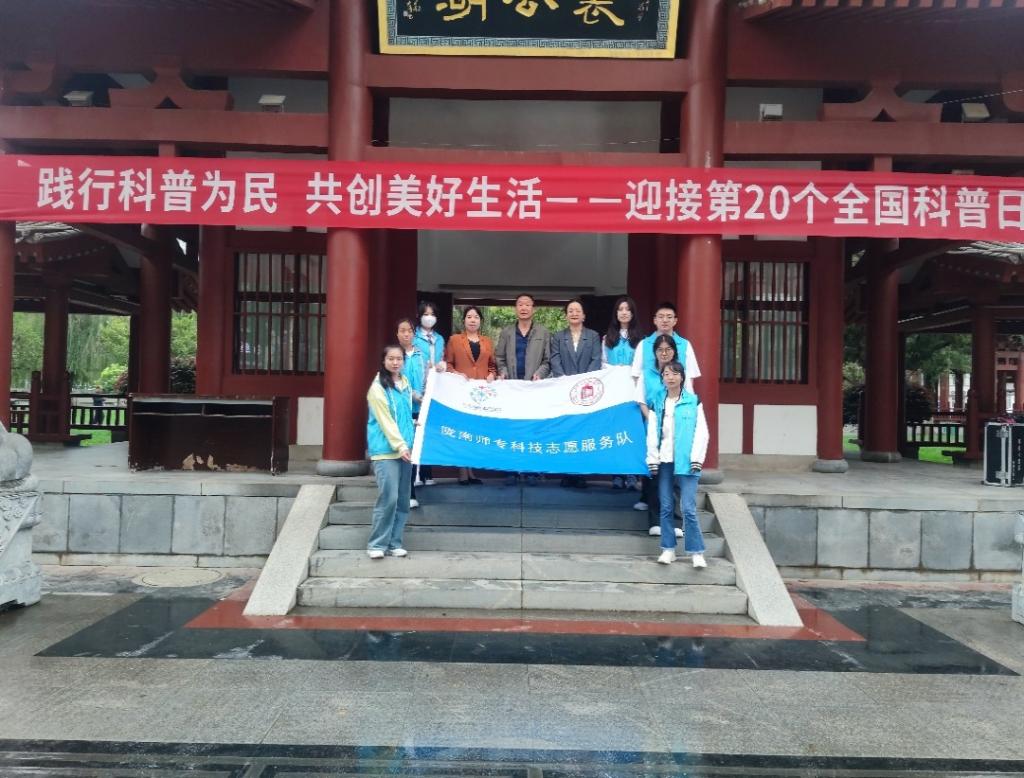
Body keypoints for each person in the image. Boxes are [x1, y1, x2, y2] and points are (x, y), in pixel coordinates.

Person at [645, 360, 709, 569]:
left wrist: (697, 457)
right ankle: (668, 549)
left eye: (674, 373)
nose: (670, 377)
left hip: (687, 460)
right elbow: (652, 432)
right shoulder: (657, 401)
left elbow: (702, 432)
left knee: (688, 507)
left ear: (682, 377)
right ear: (662, 378)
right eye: (666, 374)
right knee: (665, 505)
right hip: (664, 460)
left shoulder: (693, 401)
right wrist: (652, 458)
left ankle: (696, 551)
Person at [495, 293, 551, 485]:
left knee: (533, 428)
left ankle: (532, 469)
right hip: (511, 388)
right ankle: (511, 469)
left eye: (527, 304)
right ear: (515, 308)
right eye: (520, 304)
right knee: (511, 428)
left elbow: (548, 360)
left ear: (533, 308)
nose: (524, 308)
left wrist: (540, 374)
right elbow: (499, 358)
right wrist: (503, 372)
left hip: (533, 389)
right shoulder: (507, 332)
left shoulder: (543, 332)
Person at [365, 345, 414, 560]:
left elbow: (406, 415)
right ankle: (377, 543)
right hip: (386, 451)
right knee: (389, 498)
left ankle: (395, 543)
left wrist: (411, 439)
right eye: (391, 359)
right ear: (383, 361)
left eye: (399, 359)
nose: (395, 362)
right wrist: (400, 446)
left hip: (406, 450)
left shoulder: (405, 383)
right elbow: (386, 422)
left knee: (403, 500)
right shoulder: (377, 388)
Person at [634, 335, 683, 539]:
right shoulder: (646, 374)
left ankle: (676, 521)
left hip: (676, 428)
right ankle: (655, 521)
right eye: (660, 350)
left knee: (674, 476)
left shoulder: (679, 372)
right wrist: (654, 420)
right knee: (655, 474)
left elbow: (687, 399)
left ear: (674, 351)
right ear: (654, 352)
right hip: (653, 428)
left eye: (668, 349)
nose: (664, 353)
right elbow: (641, 401)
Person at [550, 298, 602, 488]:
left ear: (584, 315)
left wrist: (583, 383)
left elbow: (596, 360)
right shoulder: (558, 337)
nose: (574, 313)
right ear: (566, 315)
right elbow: (554, 359)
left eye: (577, 310)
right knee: (566, 431)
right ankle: (566, 472)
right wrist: (565, 380)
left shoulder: (593, 336)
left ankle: (580, 473)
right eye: (570, 310)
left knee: (583, 431)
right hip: (564, 391)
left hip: (586, 392)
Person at [444, 305, 496, 485]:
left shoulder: (487, 341)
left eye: (476, 317)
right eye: (469, 317)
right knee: (462, 431)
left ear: (481, 321)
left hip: (480, 394)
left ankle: (471, 471)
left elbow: (492, 365)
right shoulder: (454, 340)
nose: (472, 320)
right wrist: (456, 374)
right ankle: (462, 471)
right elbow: (448, 364)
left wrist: (492, 374)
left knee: (474, 431)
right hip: (461, 391)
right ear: (464, 320)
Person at [602, 295, 643, 490]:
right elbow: (602, 364)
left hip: (633, 390)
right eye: (620, 309)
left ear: (633, 313)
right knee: (614, 432)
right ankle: (616, 474)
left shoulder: (641, 340)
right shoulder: (607, 338)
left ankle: (632, 474)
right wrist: (614, 370)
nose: (624, 312)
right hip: (614, 391)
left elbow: (643, 366)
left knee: (632, 430)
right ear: (616, 313)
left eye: (627, 309)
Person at [631, 302, 701, 397]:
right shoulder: (643, 344)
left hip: (678, 400)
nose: (665, 320)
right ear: (655, 320)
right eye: (661, 317)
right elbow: (636, 375)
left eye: (669, 317)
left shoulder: (685, 345)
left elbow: (690, 377)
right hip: (650, 401)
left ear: (675, 320)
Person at [413, 301, 445, 487]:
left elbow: (442, 358)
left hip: (434, 389)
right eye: (426, 314)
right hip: (418, 388)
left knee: (429, 431)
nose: (429, 317)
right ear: (419, 316)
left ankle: (427, 472)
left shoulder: (439, 339)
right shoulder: (414, 337)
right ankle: (415, 473)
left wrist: (442, 365)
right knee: (417, 429)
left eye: (432, 314)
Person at [397, 317, 424, 509]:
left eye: (409, 330)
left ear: (414, 333)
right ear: (397, 334)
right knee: (404, 449)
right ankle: (405, 492)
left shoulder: (421, 354)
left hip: (419, 409)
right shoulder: (394, 355)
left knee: (414, 449)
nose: (406, 334)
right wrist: (410, 394)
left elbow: (429, 376)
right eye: (402, 330)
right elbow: (391, 380)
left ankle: (410, 490)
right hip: (401, 409)